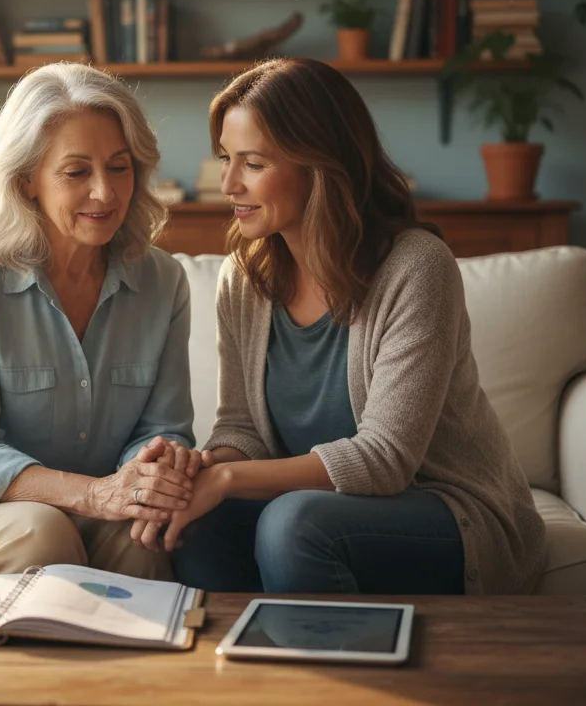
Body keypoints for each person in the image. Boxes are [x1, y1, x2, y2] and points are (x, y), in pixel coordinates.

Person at [132, 58, 546, 596]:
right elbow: (243, 430)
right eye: (225, 160)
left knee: (293, 524)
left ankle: (321, 678)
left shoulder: (417, 267)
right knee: (195, 521)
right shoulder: (244, 277)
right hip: (319, 510)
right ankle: (235, 676)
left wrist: (229, 479)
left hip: (449, 510)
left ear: (320, 164)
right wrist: (198, 472)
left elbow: (386, 459)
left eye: (253, 163)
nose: (229, 184)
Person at [0, 63, 200, 580]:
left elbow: (165, 429)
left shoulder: (164, 282)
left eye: (119, 168)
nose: (105, 192)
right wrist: (93, 494)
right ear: (27, 179)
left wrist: (151, 474)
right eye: (77, 172)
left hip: (97, 501)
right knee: (43, 532)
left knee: (144, 541)